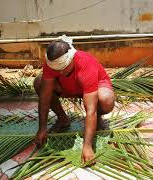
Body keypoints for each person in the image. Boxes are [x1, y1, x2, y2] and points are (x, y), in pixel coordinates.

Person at [33, 35, 115, 164]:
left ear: (71, 58)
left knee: (106, 99)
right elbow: (45, 97)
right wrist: (42, 128)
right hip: (67, 87)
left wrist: (87, 146)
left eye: (63, 68)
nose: (59, 73)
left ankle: (98, 120)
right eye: (56, 70)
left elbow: (90, 109)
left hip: (93, 87)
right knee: (39, 83)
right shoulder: (52, 63)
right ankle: (63, 119)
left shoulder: (86, 64)